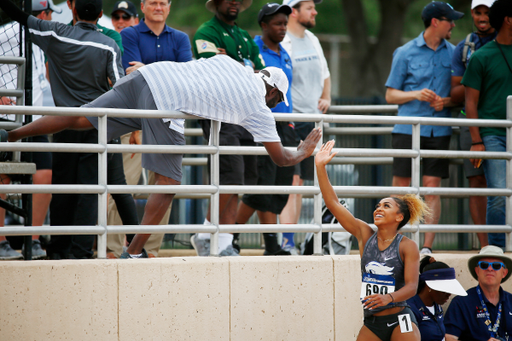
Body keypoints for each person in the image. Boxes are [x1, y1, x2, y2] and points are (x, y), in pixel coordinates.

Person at [0, 55, 322, 259]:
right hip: (165, 98)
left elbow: (207, 87)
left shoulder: (232, 65)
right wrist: (303, 152)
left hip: (148, 76)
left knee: (83, 119)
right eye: (277, 100)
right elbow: (280, 158)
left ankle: (11, 134)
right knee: (168, 183)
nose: (275, 106)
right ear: (273, 92)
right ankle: (134, 252)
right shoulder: (258, 105)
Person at [0, 0, 124, 259]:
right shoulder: (109, 45)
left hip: (61, 123)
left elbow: (22, 18)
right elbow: (120, 87)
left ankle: (58, 250)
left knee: (62, 189)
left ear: (74, 12)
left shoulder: (56, 32)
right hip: (95, 126)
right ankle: (80, 252)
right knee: (89, 191)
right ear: (101, 15)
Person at [315, 140, 429, 341]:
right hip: (372, 322)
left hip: (400, 318)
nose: (379, 208)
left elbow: (412, 287)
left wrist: (388, 298)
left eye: (386, 206)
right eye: (378, 205)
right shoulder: (364, 234)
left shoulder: (407, 245)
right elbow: (332, 203)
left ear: (398, 217)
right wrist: (320, 166)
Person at [191, 0, 269, 256]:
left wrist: (231, 61)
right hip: (219, 113)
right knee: (230, 176)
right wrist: (241, 67)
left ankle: (223, 241)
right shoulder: (206, 31)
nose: (234, 2)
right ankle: (205, 234)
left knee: (245, 178)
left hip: (244, 114)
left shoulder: (244, 35)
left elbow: (261, 73)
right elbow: (214, 70)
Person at [385, 1, 463, 255]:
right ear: (435, 22)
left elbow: (458, 95)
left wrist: (447, 102)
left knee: (431, 187)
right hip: (407, 129)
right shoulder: (405, 52)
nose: (453, 24)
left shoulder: (453, 53)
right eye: (449, 20)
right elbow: (390, 96)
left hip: (438, 131)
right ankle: (396, 242)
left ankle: (427, 247)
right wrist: (416, 94)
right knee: (402, 186)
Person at [234, 3, 297, 256]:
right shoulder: (253, 50)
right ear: (263, 25)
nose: (282, 28)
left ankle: (269, 243)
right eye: (277, 23)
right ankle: (232, 235)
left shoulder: (286, 53)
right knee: (261, 186)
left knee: (279, 187)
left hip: (285, 124)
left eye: (285, 23)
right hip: (262, 122)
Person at [0, 0, 62, 260]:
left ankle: (32, 239)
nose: (50, 18)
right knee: (3, 177)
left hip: (33, 118)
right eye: (48, 14)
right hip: (6, 119)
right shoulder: (9, 31)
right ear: (42, 14)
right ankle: (1, 239)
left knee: (44, 175)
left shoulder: (41, 37)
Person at [278, 0, 331, 254]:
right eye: (309, 7)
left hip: (313, 122)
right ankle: (286, 240)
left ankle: (296, 240)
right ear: (293, 11)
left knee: (308, 184)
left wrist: (326, 97)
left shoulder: (312, 38)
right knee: (293, 182)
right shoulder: (282, 39)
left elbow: (325, 74)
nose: (315, 11)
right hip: (291, 120)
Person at [463, 0, 512, 250]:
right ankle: (497, 251)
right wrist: (477, 140)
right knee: (499, 196)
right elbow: (470, 102)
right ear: (508, 20)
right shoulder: (482, 56)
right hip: (493, 134)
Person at [450, 0, 496, 249]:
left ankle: (502, 239)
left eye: (487, 12)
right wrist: (476, 82)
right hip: (471, 122)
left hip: (501, 121)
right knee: (477, 181)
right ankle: (484, 244)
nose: (482, 17)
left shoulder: (505, 41)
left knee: (502, 184)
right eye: (477, 12)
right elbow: (455, 89)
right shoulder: (465, 47)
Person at [444, 245, 512, 340]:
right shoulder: (461, 303)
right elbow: (449, 338)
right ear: (477, 271)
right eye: (484, 265)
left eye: (496, 266)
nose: (490, 269)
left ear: (504, 273)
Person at [121, 0, 192, 75]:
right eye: (153, 3)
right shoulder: (128, 34)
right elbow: (134, 75)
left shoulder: (181, 38)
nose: (158, 8)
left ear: (169, 8)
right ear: (142, 7)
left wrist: (145, 70)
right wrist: (173, 72)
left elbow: (186, 74)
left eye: (162, 4)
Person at [407, 256, 467, 341]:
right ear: (428, 286)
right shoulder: (410, 309)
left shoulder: (437, 307)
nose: (449, 294)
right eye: (444, 290)